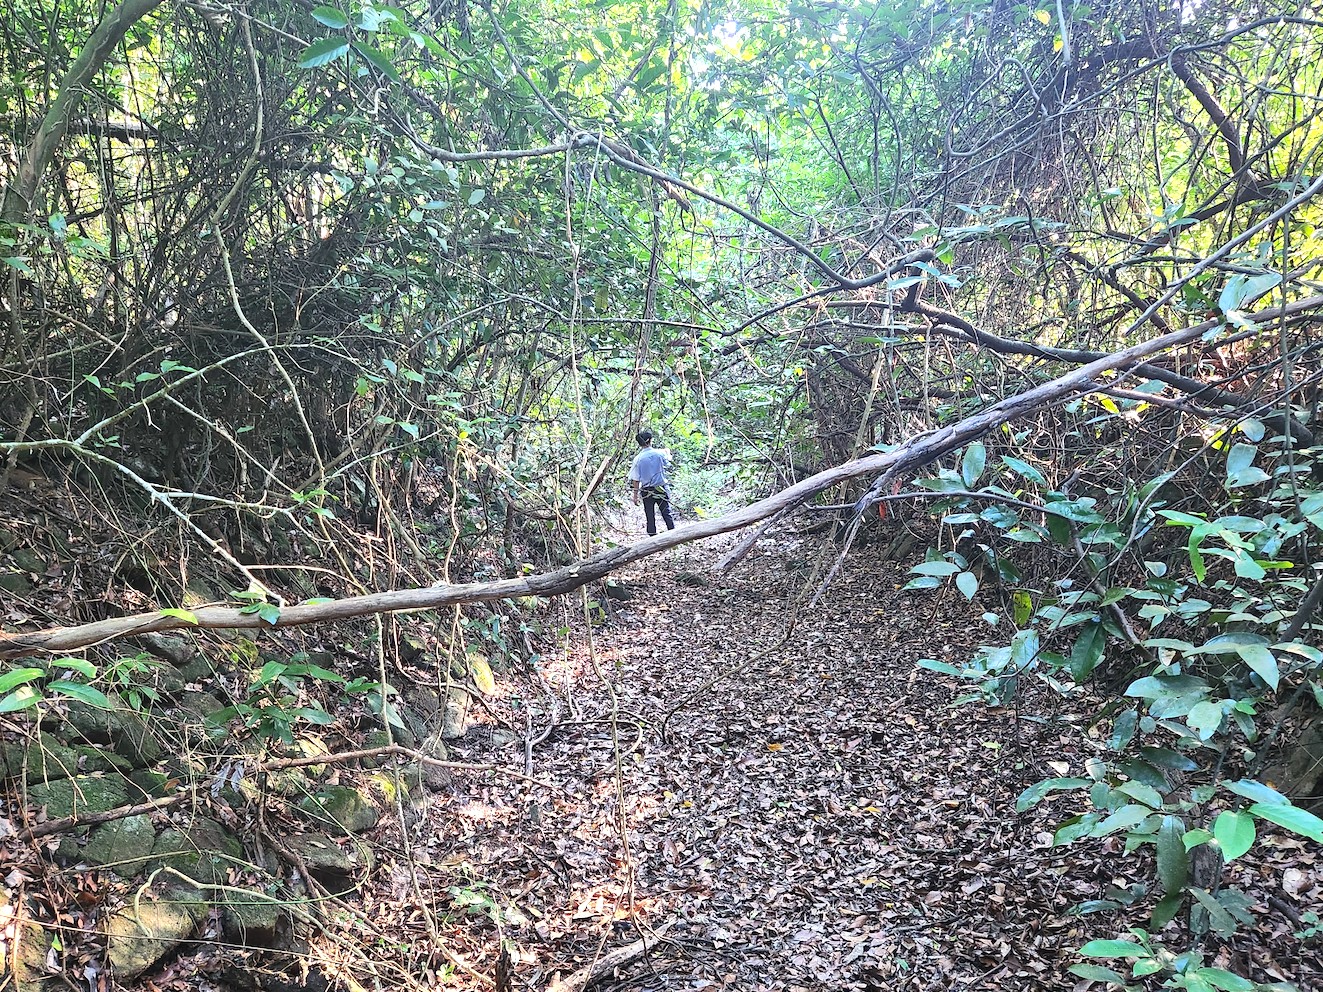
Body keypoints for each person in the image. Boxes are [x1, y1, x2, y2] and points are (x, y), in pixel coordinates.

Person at [628, 430, 675, 536]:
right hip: (660, 487)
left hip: (646, 490)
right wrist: (667, 452)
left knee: (650, 515)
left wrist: (635, 495)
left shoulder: (637, 459)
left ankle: (652, 536)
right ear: (649, 440)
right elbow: (668, 462)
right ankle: (673, 534)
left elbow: (636, 479)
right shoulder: (659, 454)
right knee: (666, 512)